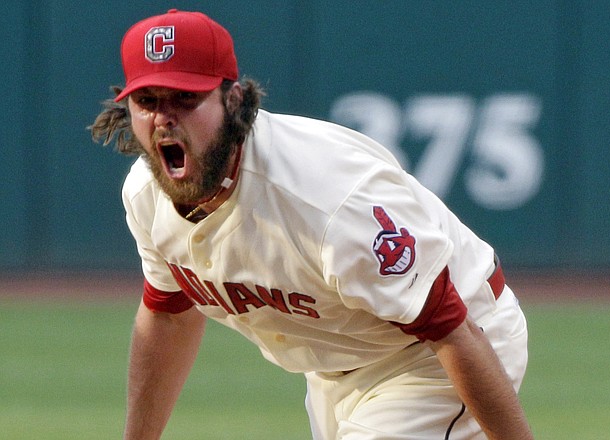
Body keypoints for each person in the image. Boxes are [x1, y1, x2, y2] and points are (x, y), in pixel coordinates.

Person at [90, 8, 533, 440]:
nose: (165, 118)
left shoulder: (326, 199)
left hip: (439, 349)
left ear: (234, 99)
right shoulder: (146, 195)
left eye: (187, 98)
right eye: (147, 102)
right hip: (335, 368)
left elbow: (452, 330)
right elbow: (169, 316)